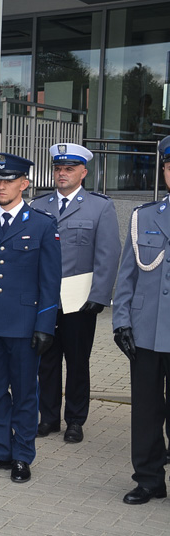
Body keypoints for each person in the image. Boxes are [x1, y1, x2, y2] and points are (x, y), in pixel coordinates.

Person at [0, 153, 62, 483]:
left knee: (23, 392)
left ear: (24, 183)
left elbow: (50, 282)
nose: (1, 186)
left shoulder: (42, 225)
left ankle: (22, 455)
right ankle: (0, 450)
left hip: (23, 325)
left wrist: (45, 325)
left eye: (8, 180)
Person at [31, 143, 120, 443]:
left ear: (83, 172)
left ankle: (76, 420)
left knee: (78, 361)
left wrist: (100, 295)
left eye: (69, 169)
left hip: (80, 301)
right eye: (58, 168)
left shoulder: (100, 207)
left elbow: (108, 254)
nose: (62, 174)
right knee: (46, 360)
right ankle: (49, 418)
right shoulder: (39, 206)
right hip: (45, 300)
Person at [111, 135, 170, 504]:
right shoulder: (144, 217)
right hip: (146, 331)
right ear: (164, 171)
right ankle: (149, 479)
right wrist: (120, 322)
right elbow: (127, 275)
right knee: (146, 411)